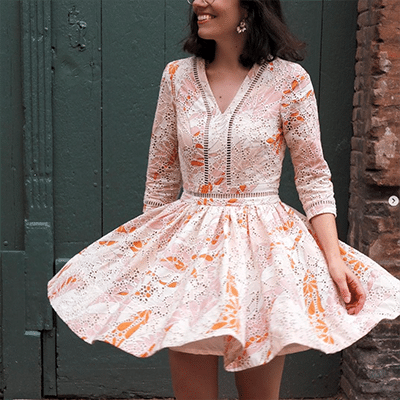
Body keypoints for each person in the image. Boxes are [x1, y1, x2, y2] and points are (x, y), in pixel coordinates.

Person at [48, 0, 400, 399]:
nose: (198, 1)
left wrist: (334, 260)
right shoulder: (176, 78)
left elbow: (314, 177)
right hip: (189, 253)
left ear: (251, 6)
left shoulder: (289, 81)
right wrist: (151, 261)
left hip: (265, 258)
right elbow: (161, 177)